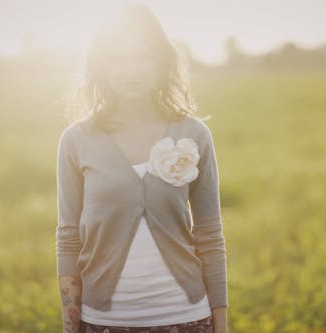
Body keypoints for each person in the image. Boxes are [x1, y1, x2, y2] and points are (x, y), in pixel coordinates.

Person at [56, 4, 228, 333]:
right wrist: (71, 325)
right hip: (103, 323)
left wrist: (221, 325)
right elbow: (68, 239)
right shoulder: (76, 141)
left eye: (141, 57)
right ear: (100, 65)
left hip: (187, 319)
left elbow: (210, 236)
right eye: (118, 59)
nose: (130, 70)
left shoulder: (193, 134)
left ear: (161, 62)